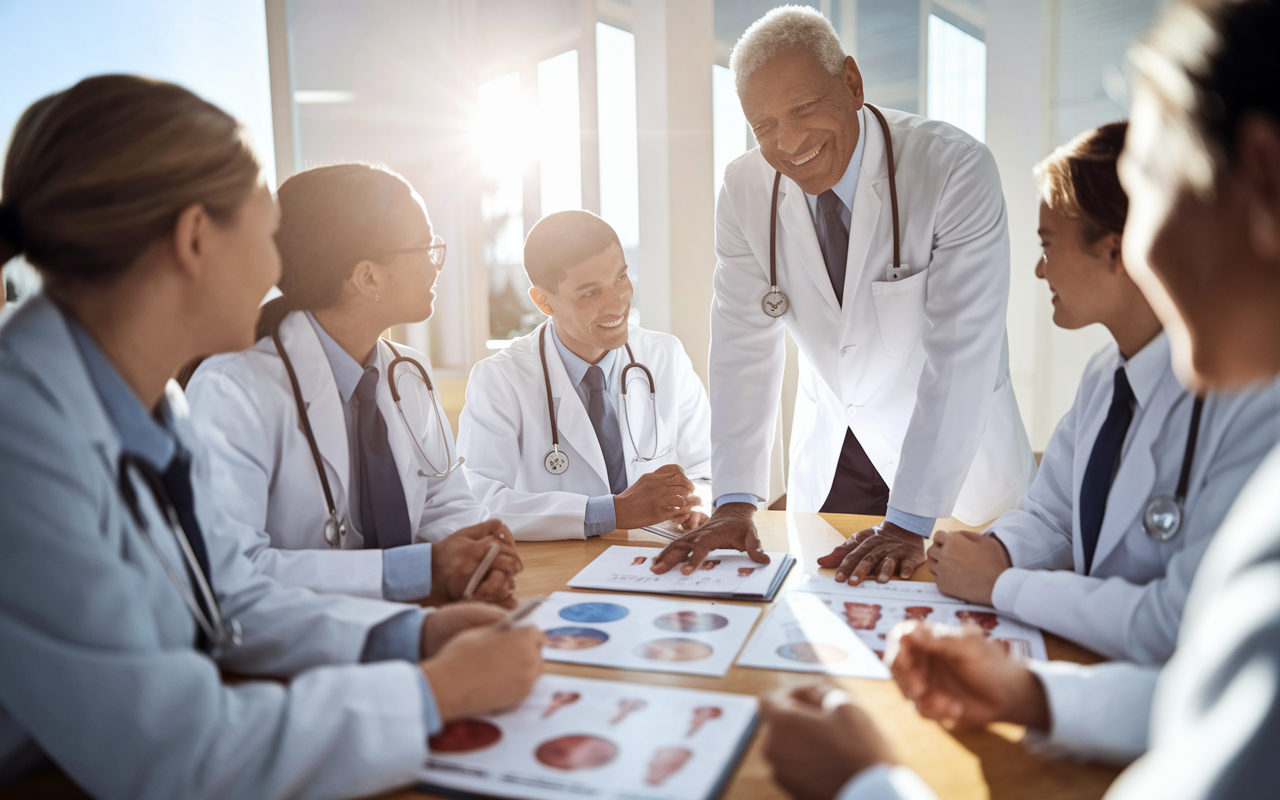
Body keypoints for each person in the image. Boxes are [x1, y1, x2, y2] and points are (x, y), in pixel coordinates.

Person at [758, 0, 1280, 796]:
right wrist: (1029, 690)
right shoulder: (1115, 379)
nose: (1143, 244)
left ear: (1262, 174)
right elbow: (1211, 704)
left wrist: (863, 781)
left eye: (1151, 184)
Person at [0, 75, 542, 799]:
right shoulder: (22, 442)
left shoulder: (150, 400)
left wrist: (408, 638)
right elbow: (172, 754)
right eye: (266, 235)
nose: (279, 271)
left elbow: (231, 595)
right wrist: (429, 695)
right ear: (196, 239)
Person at [652, 5, 1036, 580]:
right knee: (832, 638)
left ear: (852, 83)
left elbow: (962, 354)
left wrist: (907, 521)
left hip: (952, 470)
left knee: (948, 643)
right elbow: (741, 348)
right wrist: (735, 499)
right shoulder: (744, 189)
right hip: (835, 459)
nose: (788, 141)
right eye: (763, 126)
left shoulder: (953, 168)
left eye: (804, 108)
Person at [927, 122, 1280, 664]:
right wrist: (991, 550)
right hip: (1092, 657)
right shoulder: (1105, 375)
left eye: (1048, 245)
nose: (1040, 268)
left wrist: (1002, 585)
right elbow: (1053, 514)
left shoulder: (1242, 397)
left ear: (1116, 251)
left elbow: (1177, 622)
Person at [186, 164, 521, 604]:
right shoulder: (234, 390)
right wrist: (421, 569)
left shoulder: (409, 374)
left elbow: (445, 500)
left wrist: (479, 558)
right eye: (424, 247)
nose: (436, 263)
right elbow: (231, 568)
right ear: (368, 277)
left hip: (424, 617)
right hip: (307, 642)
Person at [456, 210, 711, 540]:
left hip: (655, 554)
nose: (618, 303)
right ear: (543, 301)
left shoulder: (666, 356)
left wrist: (696, 504)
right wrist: (611, 513)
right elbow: (479, 502)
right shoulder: (499, 379)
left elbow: (707, 467)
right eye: (590, 293)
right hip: (562, 565)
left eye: (621, 278)